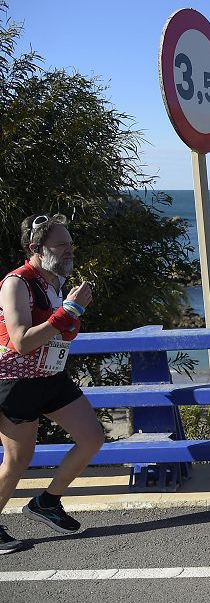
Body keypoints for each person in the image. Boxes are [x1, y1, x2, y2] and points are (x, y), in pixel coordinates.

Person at [0, 214, 103, 555]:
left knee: (91, 438)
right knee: (17, 460)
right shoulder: (16, 283)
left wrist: (70, 311)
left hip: (50, 375)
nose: (69, 251)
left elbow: (60, 331)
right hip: (15, 381)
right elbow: (21, 341)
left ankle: (46, 502)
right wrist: (71, 310)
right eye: (61, 245)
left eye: (70, 244)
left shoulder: (55, 283)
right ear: (35, 248)